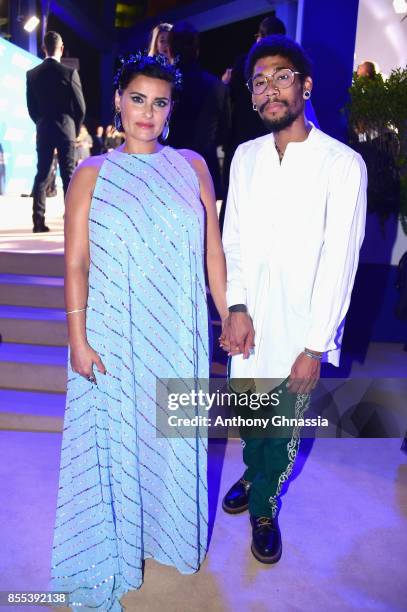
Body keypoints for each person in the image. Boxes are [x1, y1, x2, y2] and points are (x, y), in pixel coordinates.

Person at [48, 51, 228, 610]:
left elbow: (212, 252)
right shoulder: (91, 174)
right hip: (115, 332)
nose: (147, 113)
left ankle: (166, 533)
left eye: (159, 102)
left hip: (178, 331)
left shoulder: (193, 166)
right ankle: (117, 540)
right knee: (120, 439)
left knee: (170, 438)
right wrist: (77, 338)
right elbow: (75, 263)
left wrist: (232, 311)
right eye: (137, 100)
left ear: (171, 109)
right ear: (118, 103)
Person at [220, 35, 367, 564]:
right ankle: (254, 474)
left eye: (282, 77)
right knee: (250, 418)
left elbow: (340, 261)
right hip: (248, 324)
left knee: (280, 432)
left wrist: (315, 345)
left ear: (305, 86)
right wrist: (235, 307)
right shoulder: (245, 157)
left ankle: (265, 506)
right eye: (259, 82)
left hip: (301, 329)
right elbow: (230, 238)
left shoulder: (341, 164)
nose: (270, 90)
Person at [26, 31, 86, 232]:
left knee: (42, 174)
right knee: (68, 175)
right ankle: (70, 221)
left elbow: (31, 108)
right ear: (61, 48)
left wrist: (41, 122)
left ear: (44, 48)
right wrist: (74, 129)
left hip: (44, 128)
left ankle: (38, 221)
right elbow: (81, 107)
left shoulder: (32, 74)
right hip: (66, 129)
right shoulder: (69, 73)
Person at [167, 21, 231, 199]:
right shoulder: (217, 86)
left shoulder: (161, 86)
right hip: (205, 174)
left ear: (171, 49)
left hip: (168, 173)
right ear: (196, 48)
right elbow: (225, 133)